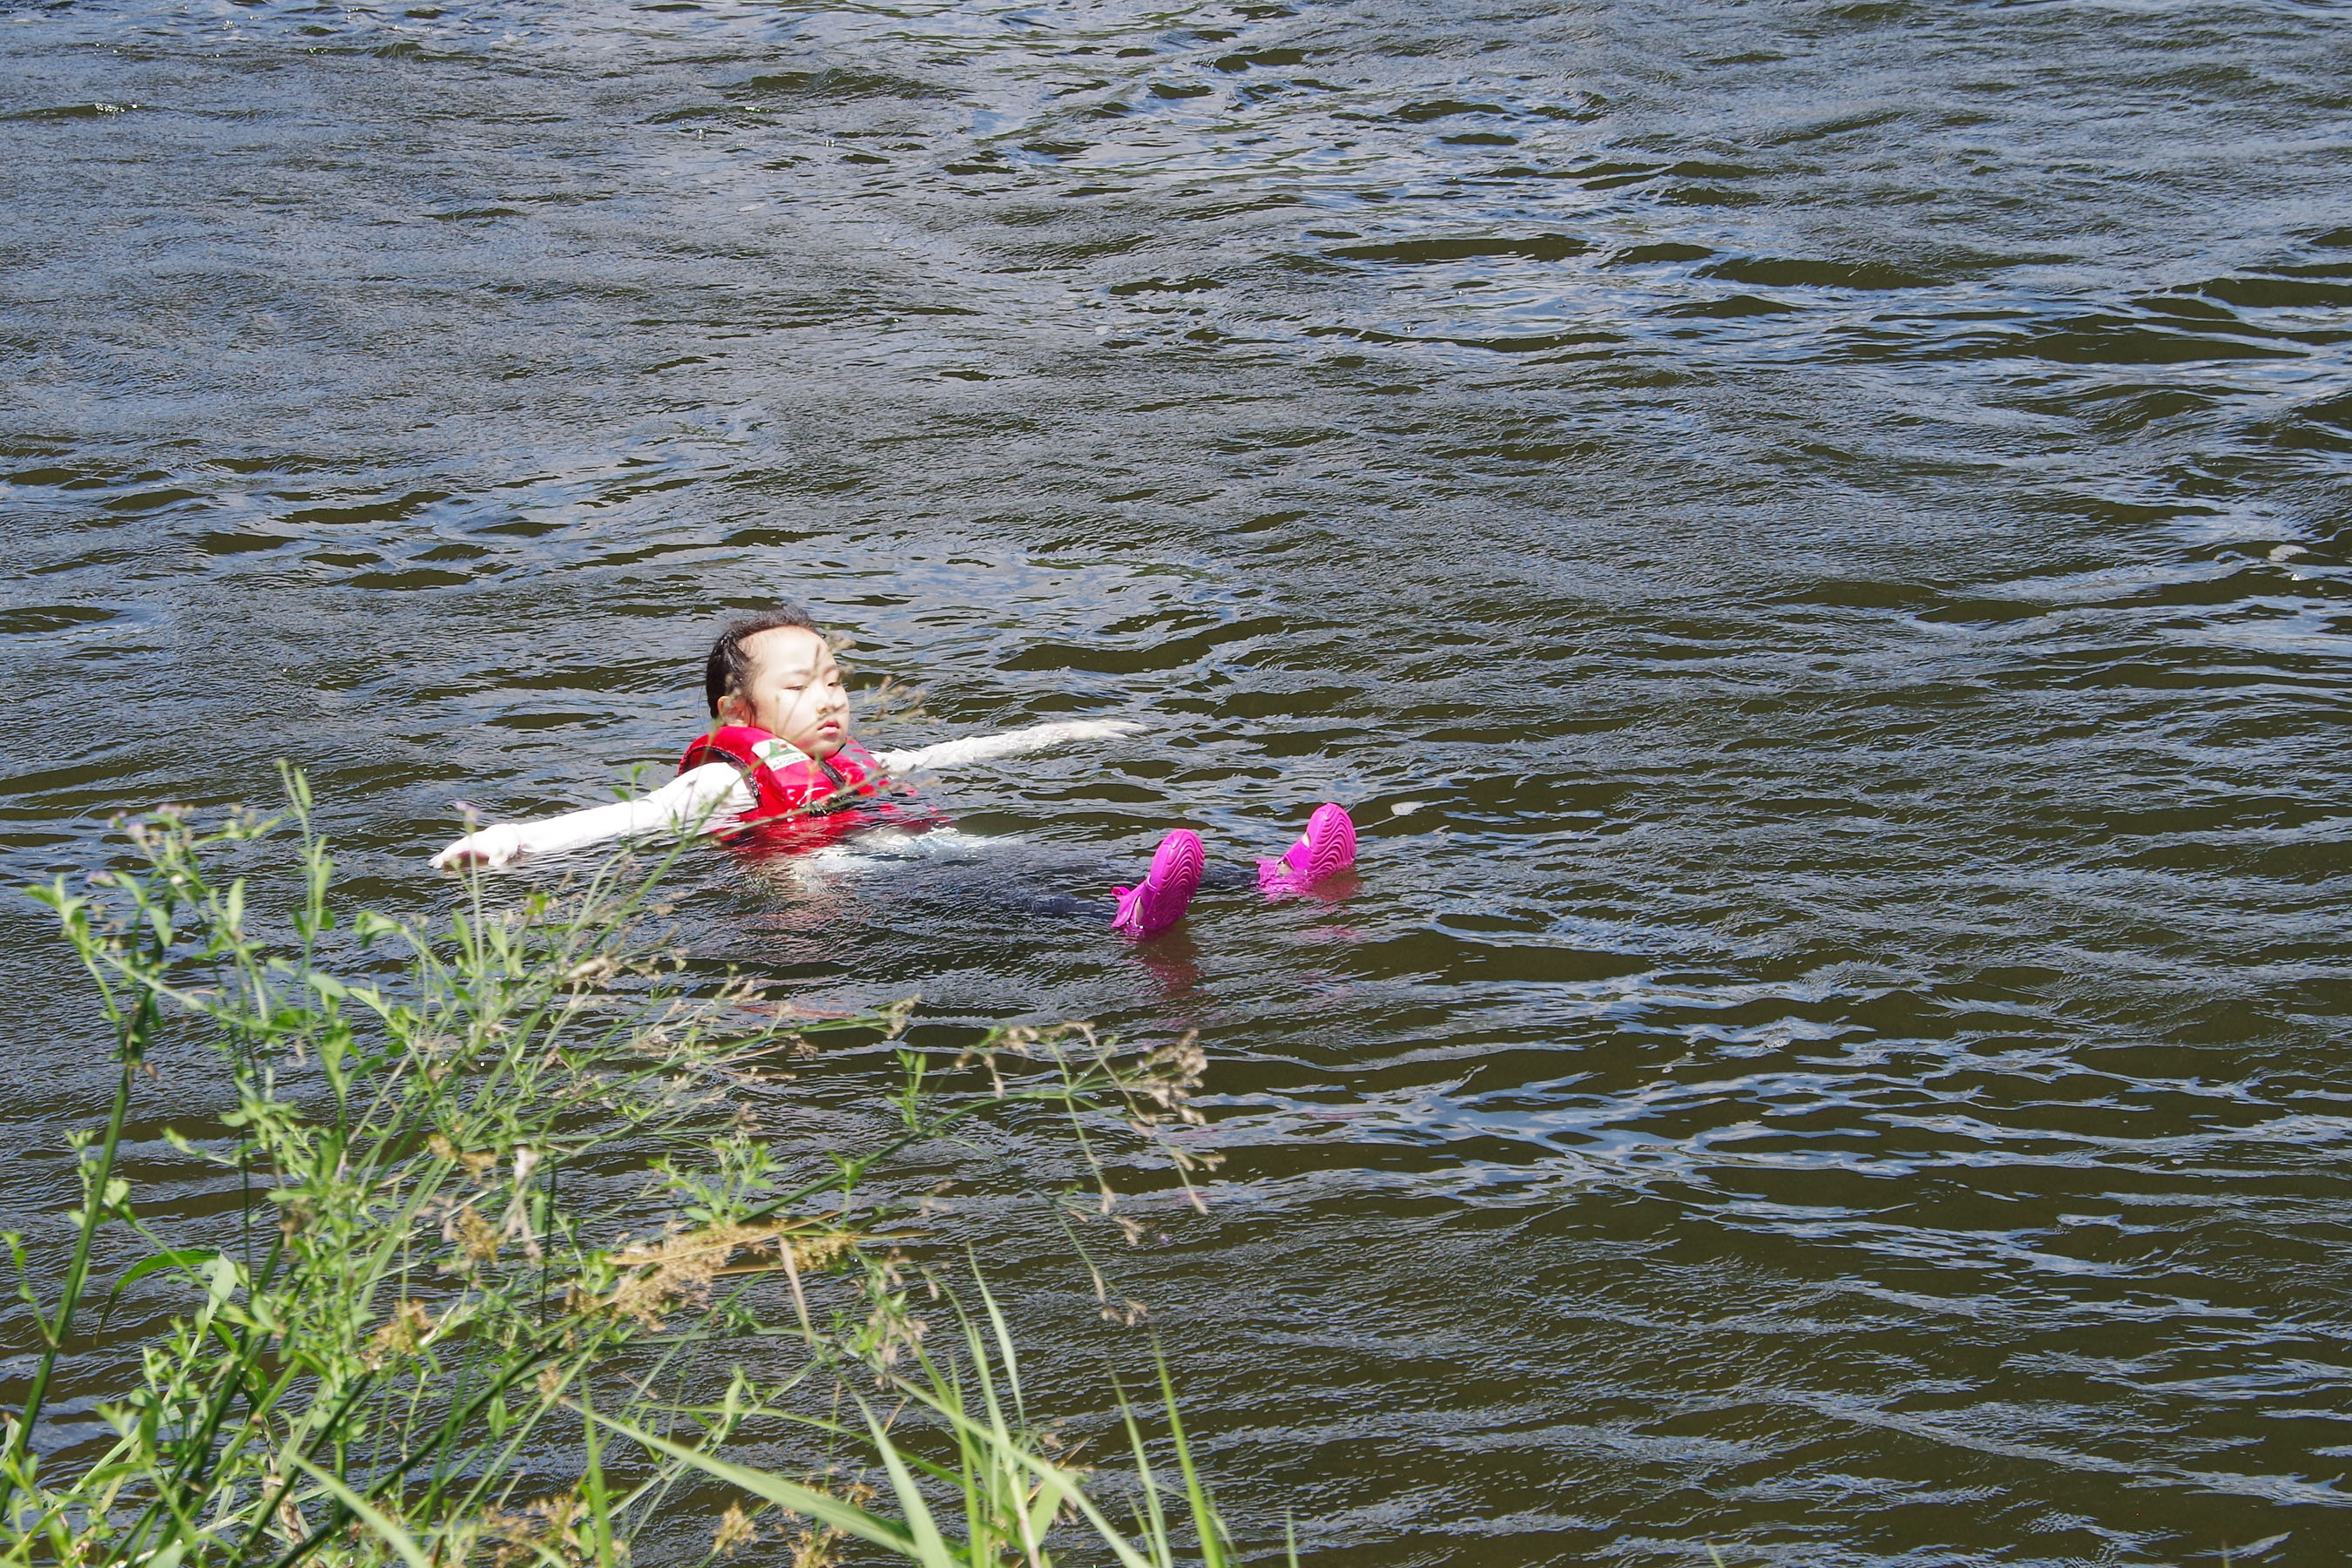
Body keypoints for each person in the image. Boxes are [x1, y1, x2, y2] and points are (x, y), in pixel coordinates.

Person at [430, 605, 1356, 936]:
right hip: (833, 881)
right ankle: (1122, 918)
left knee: (1030, 851)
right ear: (737, 716)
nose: (830, 698)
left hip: (903, 846)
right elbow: (629, 819)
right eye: (802, 687)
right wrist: (512, 841)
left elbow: (939, 756)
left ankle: (1276, 880)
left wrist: (1061, 732)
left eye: (835, 679)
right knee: (993, 888)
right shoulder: (727, 780)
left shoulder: (849, 762)